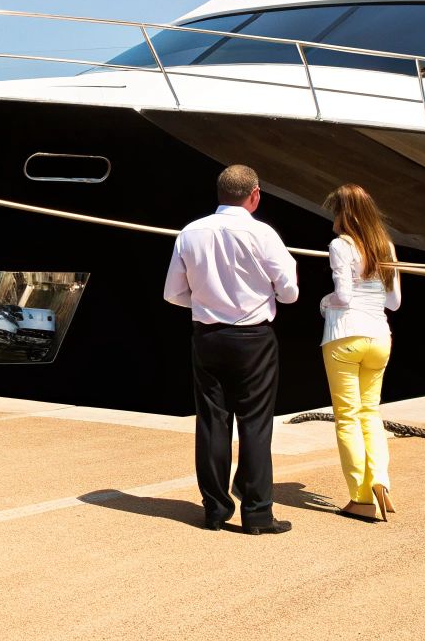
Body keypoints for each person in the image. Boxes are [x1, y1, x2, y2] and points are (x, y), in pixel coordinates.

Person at [165, 164, 299, 535]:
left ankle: (214, 509)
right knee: (255, 423)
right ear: (254, 195)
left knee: (212, 422)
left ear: (219, 193)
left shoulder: (191, 232)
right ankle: (257, 513)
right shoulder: (263, 233)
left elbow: (173, 293)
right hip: (254, 338)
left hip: (207, 336)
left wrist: (208, 301)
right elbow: (290, 292)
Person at [318, 183, 402, 523]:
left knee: (347, 418)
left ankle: (361, 497)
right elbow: (394, 302)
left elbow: (344, 296)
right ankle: (380, 479)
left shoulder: (341, 245)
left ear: (344, 213)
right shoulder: (387, 246)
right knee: (371, 413)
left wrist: (324, 303)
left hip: (345, 337)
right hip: (380, 337)